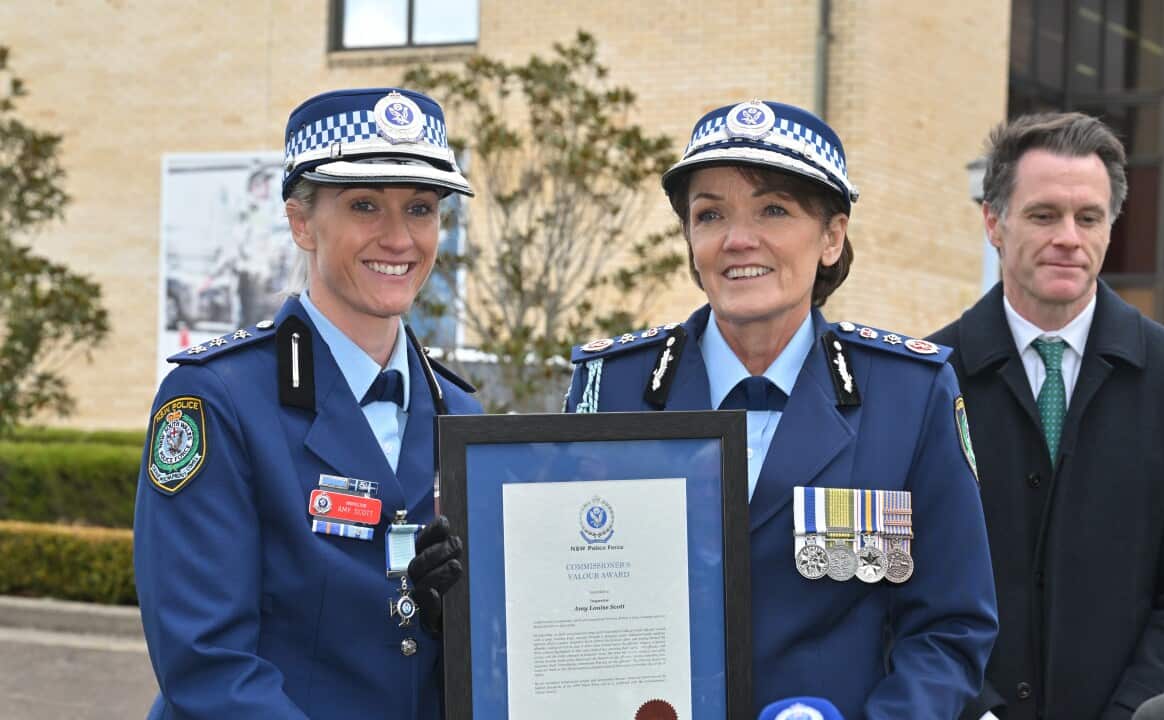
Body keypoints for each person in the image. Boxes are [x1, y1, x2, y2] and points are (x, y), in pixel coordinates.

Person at [563, 99, 998, 718]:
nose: (739, 240)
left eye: (773, 210)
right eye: (710, 214)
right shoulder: (611, 387)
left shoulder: (910, 392)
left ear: (831, 237)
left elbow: (951, 628)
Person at [133, 87, 481, 719]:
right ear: (301, 221)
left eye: (422, 208)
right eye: (365, 206)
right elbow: (207, 661)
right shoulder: (217, 400)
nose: (399, 238)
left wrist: (451, 625)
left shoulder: (459, 414)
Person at [928, 112, 1164, 720]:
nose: (1069, 236)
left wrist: (1131, 713)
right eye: (1044, 215)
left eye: (1088, 217)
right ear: (994, 221)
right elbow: (909, 580)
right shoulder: (930, 377)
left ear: (1110, 227)